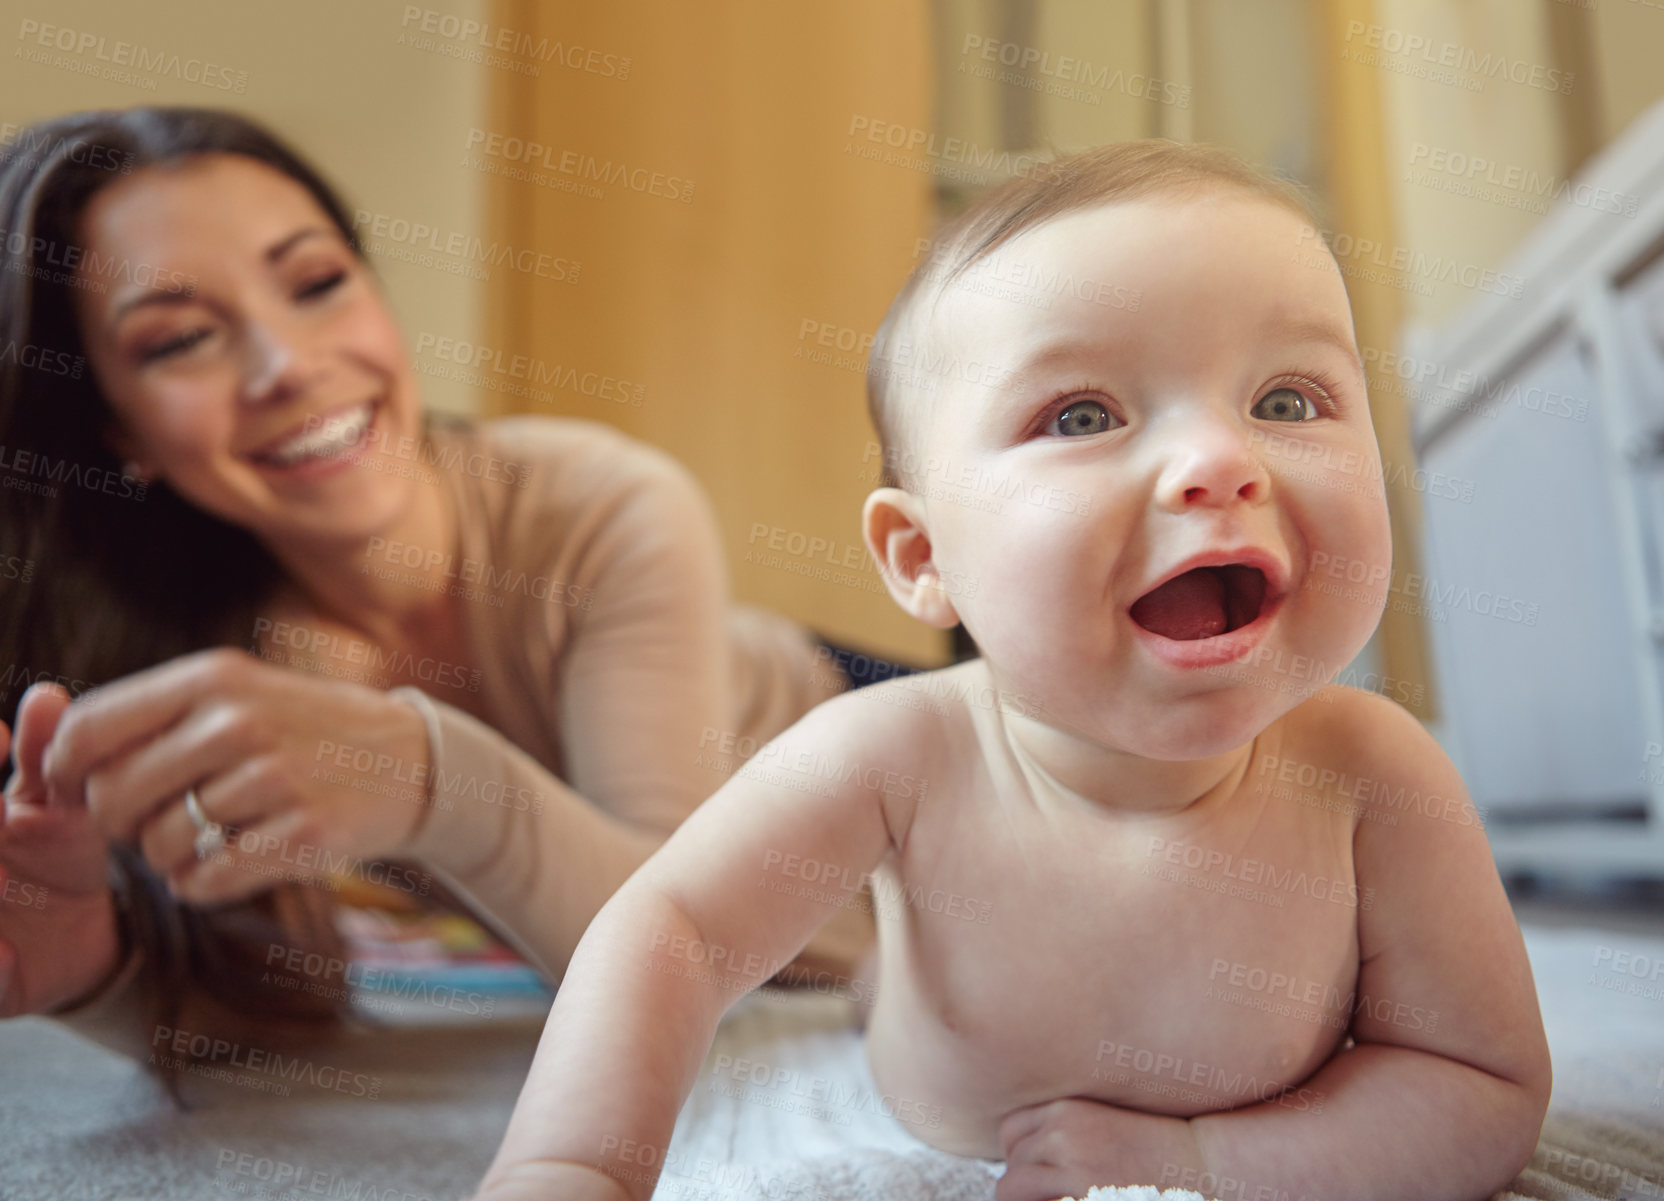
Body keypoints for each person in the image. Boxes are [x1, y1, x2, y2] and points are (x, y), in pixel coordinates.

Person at [467, 141, 1552, 1201]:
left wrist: (1202, 1170)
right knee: (883, 977)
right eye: (1082, 415)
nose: (1220, 462)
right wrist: (573, 1166)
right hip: (920, 1028)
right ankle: (878, 981)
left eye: (1285, 400)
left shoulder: (1376, 773)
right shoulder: (893, 751)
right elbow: (677, 928)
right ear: (924, 557)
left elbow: (1480, 1084)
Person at [0, 106, 868, 1069]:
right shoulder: (225, 655)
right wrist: (91, 975)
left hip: (869, 717)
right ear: (117, 432)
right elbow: (266, 1022)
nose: (288, 365)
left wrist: (431, 779)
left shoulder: (598, 501)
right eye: (180, 340)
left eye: (318, 282)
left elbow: (688, 952)